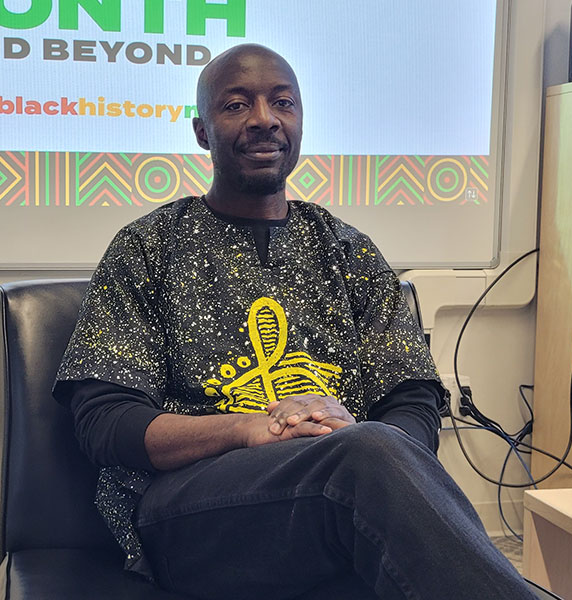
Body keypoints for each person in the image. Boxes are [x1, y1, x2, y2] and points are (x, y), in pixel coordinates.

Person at [54, 43, 535, 600]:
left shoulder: (348, 251)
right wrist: (246, 428)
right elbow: (105, 423)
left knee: (377, 458)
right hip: (187, 514)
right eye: (236, 105)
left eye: (282, 102)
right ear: (202, 132)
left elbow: (412, 399)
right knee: (368, 460)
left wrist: (358, 436)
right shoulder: (147, 248)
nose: (264, 119)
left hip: (338, 490)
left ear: (300, 120)